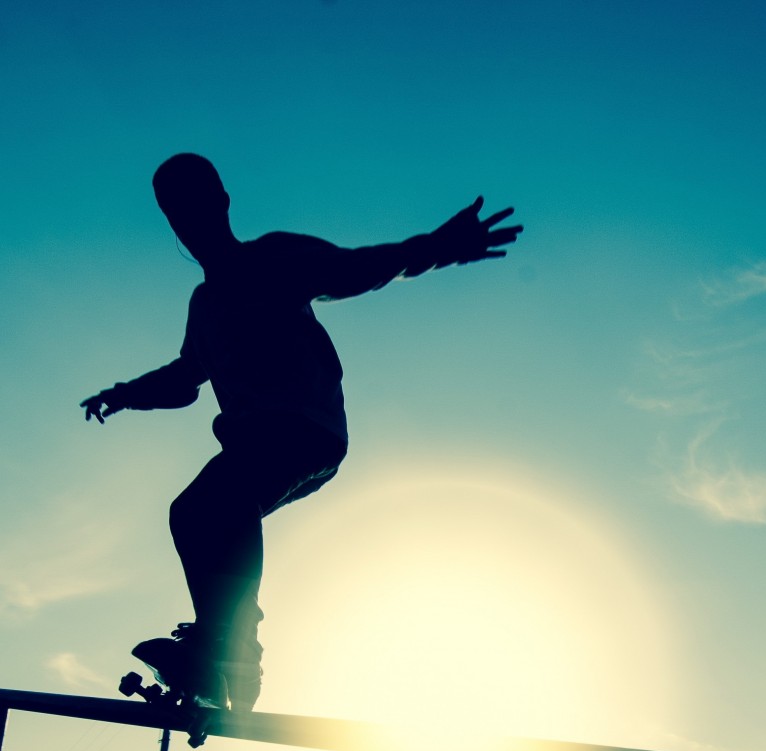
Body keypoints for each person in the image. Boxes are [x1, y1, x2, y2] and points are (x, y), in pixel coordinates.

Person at [81, 153, 522, 710]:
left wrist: (437, 248)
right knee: (194, 512)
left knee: (223, 500)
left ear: (221, 203)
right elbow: (185, 379)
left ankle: (228, 647)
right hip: (255, 441)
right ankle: (227, 651)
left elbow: (355, 269)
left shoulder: (273, 257)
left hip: (303, 428)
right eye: (176, 216)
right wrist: (124, 395)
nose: (188, 226)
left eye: (195, 208)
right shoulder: (205, 304)